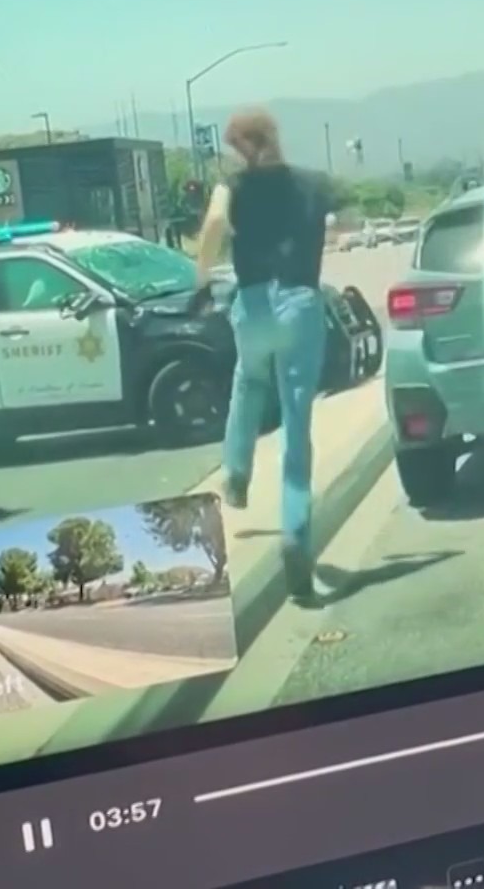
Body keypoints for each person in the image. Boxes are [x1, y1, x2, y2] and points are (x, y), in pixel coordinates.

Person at [191, 108, 334, 606]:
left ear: (241, 147)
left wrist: (201, 275)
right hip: (301, 304)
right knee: (296, 427)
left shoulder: (233, 186)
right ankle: (295, 535)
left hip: (252, 305)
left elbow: (214, 222)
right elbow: (340, 222)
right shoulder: (313, 184)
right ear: (274, 135)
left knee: (248, 381)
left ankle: (235, 472)